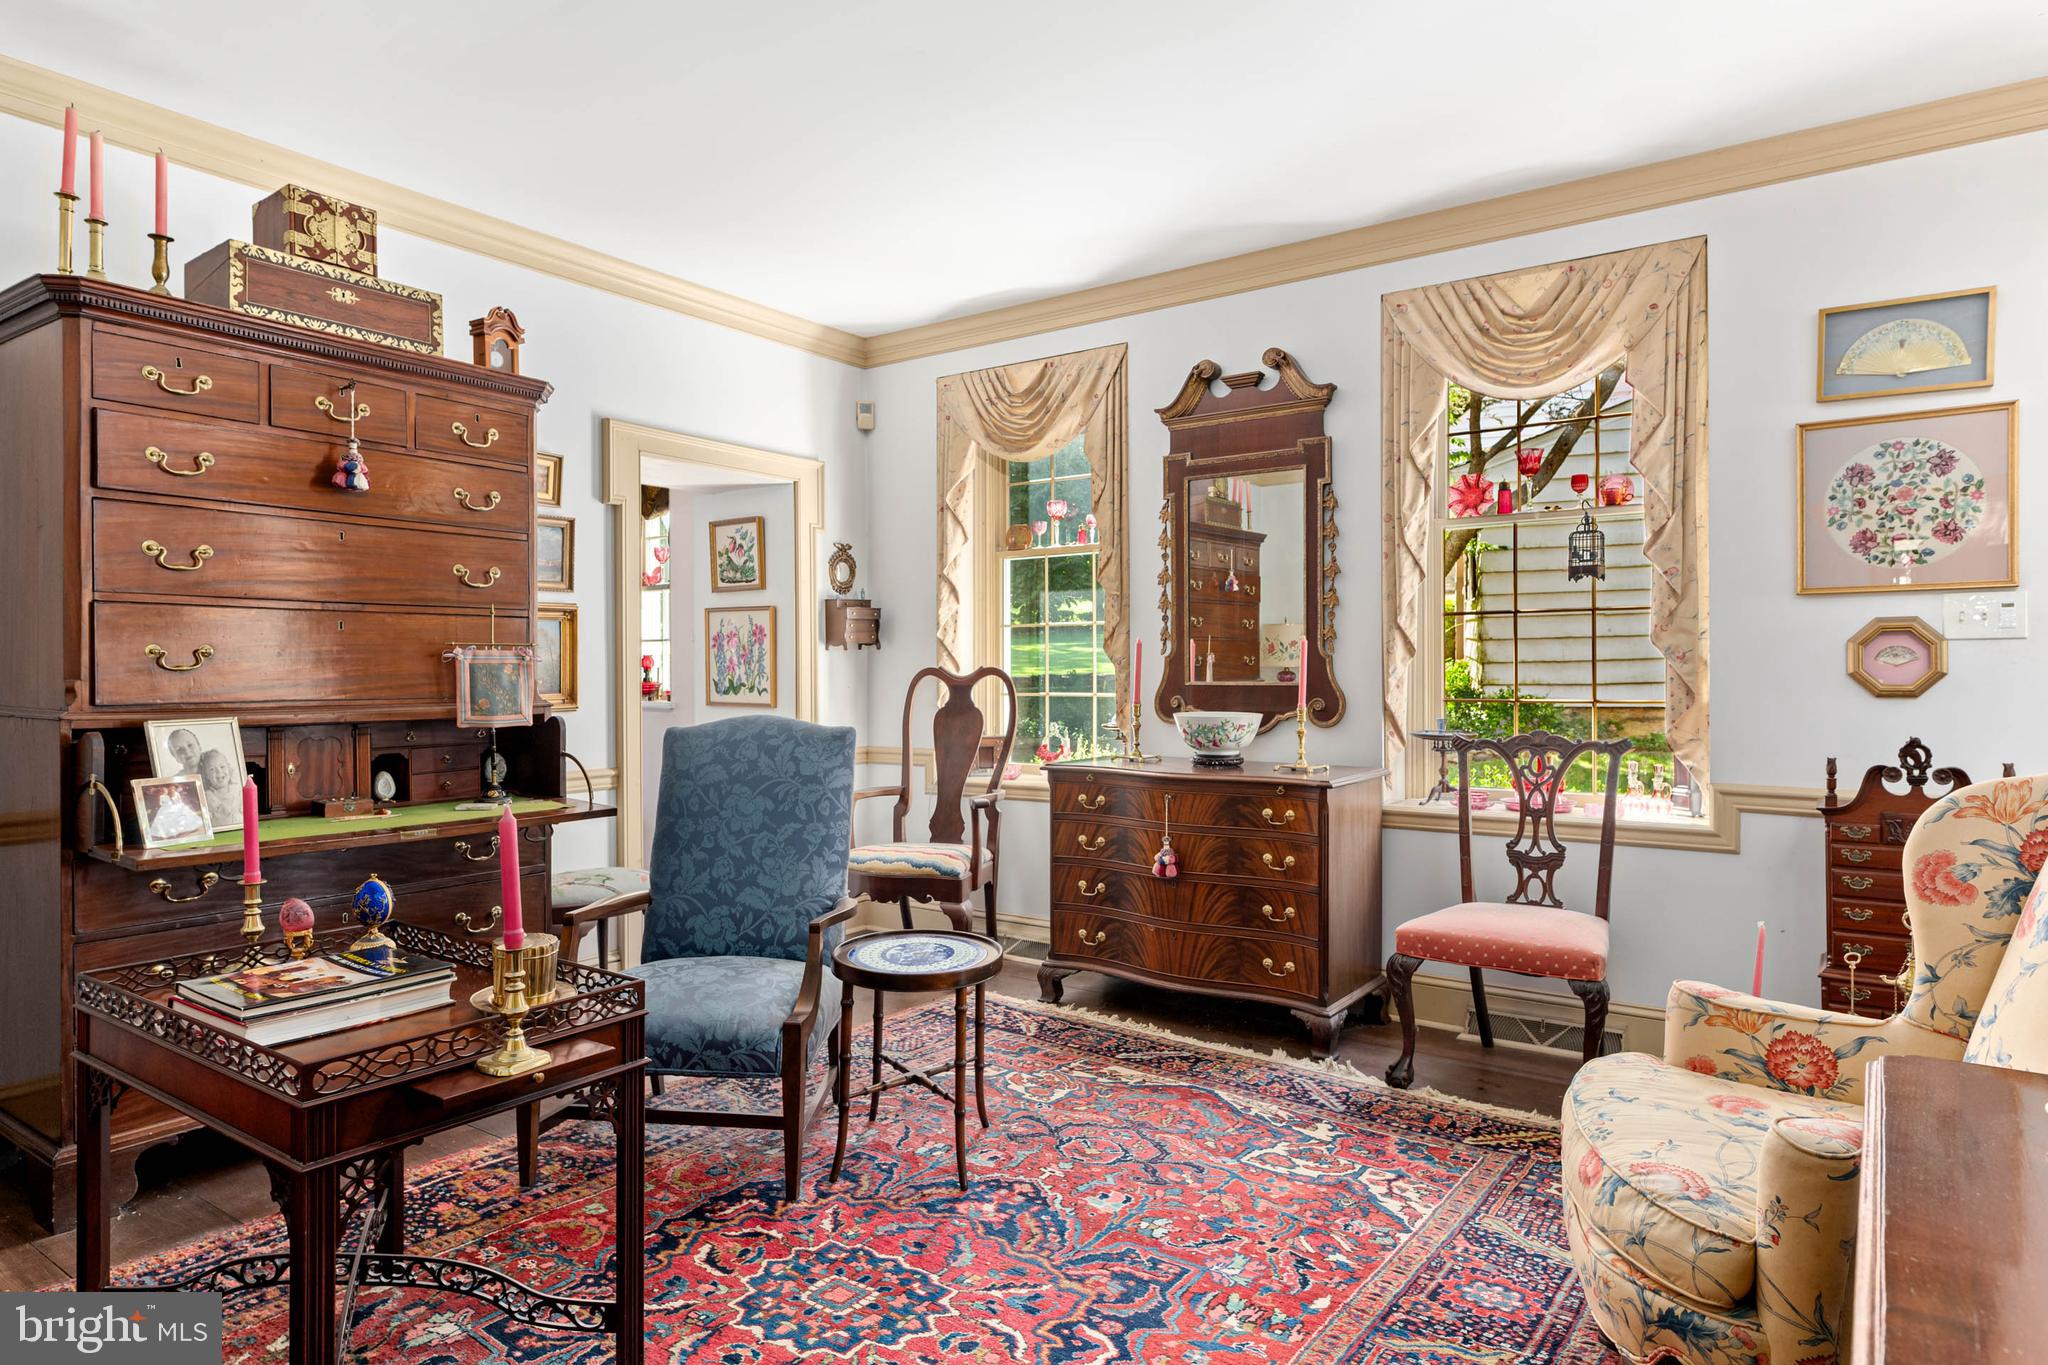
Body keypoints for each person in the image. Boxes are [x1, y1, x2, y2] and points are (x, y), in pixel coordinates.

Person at [198, 749, 241, 830]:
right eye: (212, 769)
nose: (219, 771)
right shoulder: (208, 796)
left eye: (222, 767)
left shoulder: (237, 790)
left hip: (239, 830)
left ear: (228, 768)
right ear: (206, 775)